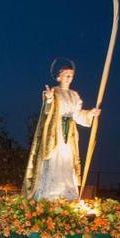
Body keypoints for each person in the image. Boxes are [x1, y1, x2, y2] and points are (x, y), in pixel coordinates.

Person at [22, 61, 99, 200]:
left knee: (67, 160)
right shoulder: (54, 92)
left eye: (71, 75)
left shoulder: (75, 95)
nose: (69, 78)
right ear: (59, 77)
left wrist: (90, 114)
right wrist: (50, 99)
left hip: (69, 132)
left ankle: (67, 193)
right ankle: (49, 194)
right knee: (54, 158)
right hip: (55, 130)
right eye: (66, 75)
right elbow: (47, 111)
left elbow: (77, 114)